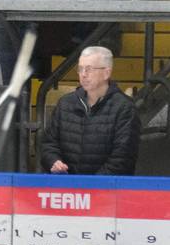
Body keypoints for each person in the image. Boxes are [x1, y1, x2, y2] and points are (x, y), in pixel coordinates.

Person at [41, 46, 140, 175]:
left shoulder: (125, 108)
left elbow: (123, 157)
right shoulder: (65, 103)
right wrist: (54, 161)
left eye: (89, 69)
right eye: (80, 69)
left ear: (106, 73)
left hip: (108, 190)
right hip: (67, 188)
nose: (83, 74)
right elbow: (48, 144)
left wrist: (91, 186)